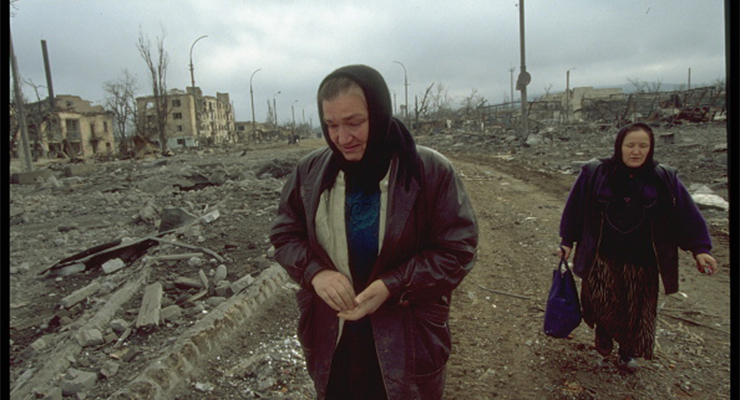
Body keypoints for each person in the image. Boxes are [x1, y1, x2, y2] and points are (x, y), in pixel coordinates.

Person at [269, 64, 478, 399]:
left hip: (406, 341)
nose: (342, 138)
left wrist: (393, 285)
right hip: (333, 337)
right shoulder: (311, 172)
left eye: (354, 123)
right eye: (331, 125)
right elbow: (285, 235)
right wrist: (315, 272)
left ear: (379, 113)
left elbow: (458, 249)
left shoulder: (428, 171)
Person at [557, 122, 718, 372]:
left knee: (636, 310)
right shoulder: (596, 172)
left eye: (643, 146)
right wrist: (567, 241)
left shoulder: (663, 177)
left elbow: (686, 215)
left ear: (650, 148)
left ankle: (627, 351)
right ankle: (604, 330)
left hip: (643, 259)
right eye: (630, 145)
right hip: (602, 255)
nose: (636, 151)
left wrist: (700, 249)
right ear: (619, 146)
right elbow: (575, 209)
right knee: (599, 299)